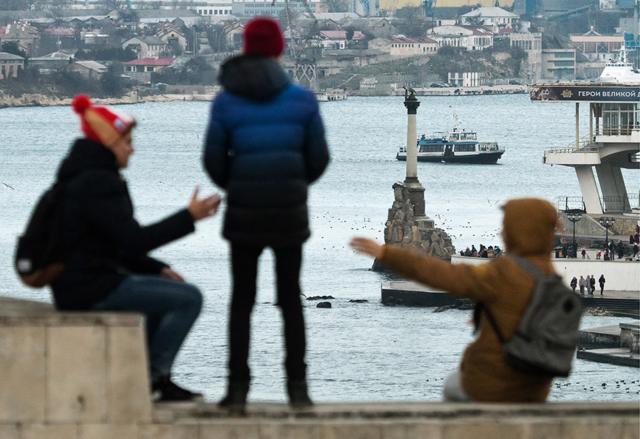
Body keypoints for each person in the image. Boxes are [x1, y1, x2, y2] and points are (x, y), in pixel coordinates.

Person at [52, 95, 221, 402]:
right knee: (189, 299)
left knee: (161, 292)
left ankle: (146, 377)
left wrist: (155, 267)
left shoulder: (83, 176)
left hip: (80, 281)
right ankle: (154, 378)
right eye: (127, 141)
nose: (132, 148)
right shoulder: (98, 183)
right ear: (109, 142)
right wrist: (189, 217)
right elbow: (131, 240)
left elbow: (115, 242)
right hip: (89, 286)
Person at [203, 17, 330, 411]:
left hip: (243, 213)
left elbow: (212, 161)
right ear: (279, 49)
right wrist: (294, 183)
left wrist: (237, 185)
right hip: (289, 213)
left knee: (242, 300)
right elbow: (319, 159)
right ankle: (298, 388)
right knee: (290, 300)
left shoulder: (225, 101)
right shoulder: (303, 100)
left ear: (244, 47)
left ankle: (237, 389)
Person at [351, 198, 559, 402]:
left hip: (493, 386)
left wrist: (386, 253)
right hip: (536, 389)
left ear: (519, 232)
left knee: (453, 383)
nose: (501, 232)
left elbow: (441, 274)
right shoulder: (553, 280)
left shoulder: (503, 274)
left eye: (506, 227)